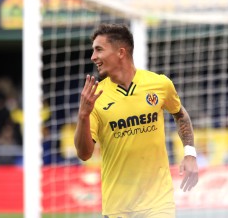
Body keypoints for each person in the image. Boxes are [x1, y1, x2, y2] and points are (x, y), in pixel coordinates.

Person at [74, 23, 198, 218]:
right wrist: (83, 116)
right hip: (118, 207)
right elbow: (84, 154)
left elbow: (180, 114)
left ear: (120, 52)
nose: (93, 57)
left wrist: (190, 153)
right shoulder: (96, 96)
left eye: (99, 49)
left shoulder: (160, 84)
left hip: (158, 203)